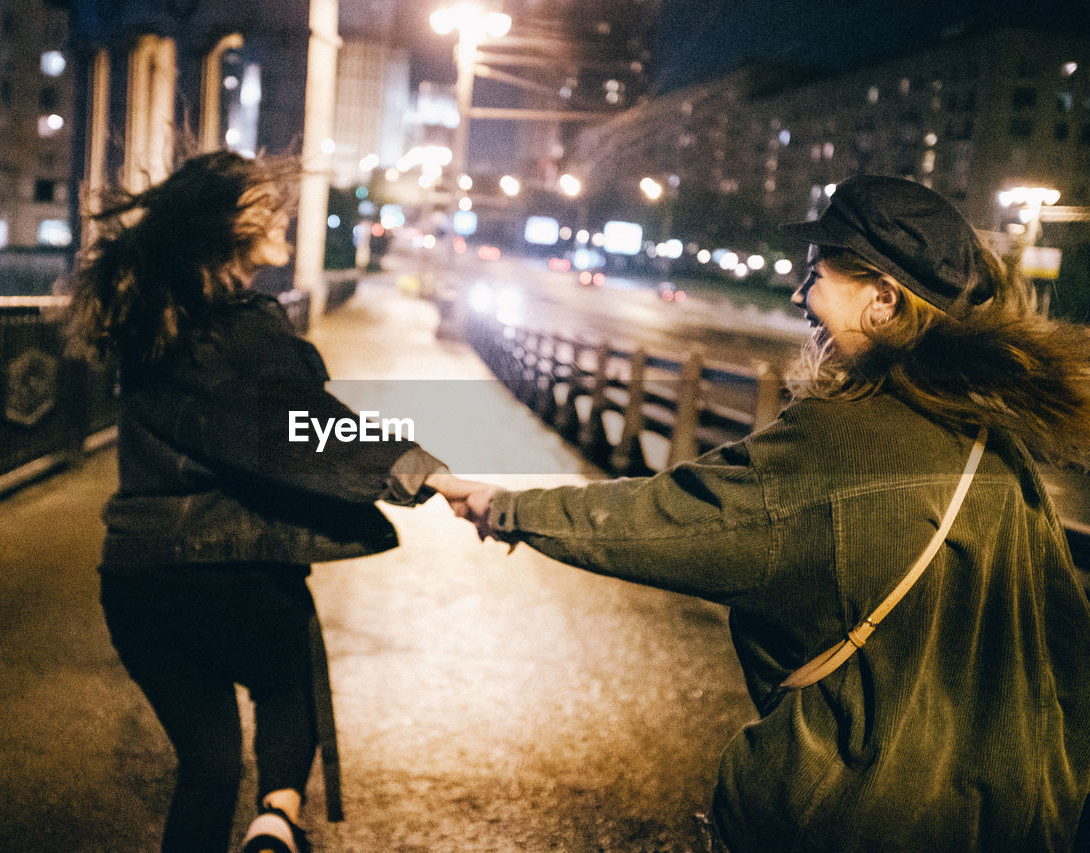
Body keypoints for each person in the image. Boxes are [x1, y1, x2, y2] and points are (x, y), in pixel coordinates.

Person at [438, 175, 1090, 851]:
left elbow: (672, 517)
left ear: (884, 299)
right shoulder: (990, 438)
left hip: (856, 813)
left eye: (815, 276)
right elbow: (1064, 641)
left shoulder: (845, 435)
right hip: (1014, 816)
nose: (800, 296)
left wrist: (509, 508)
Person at [66, 150, 470, 853]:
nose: (282, 216)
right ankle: (277, 823)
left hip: (133, 580)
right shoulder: (240, 329)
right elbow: (301, 427)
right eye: (267, 207)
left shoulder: (145, 327)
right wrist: (426, 474)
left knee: (208, 764)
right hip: (230, 571)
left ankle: (257, 826)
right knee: (291, 679)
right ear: (232, 230)